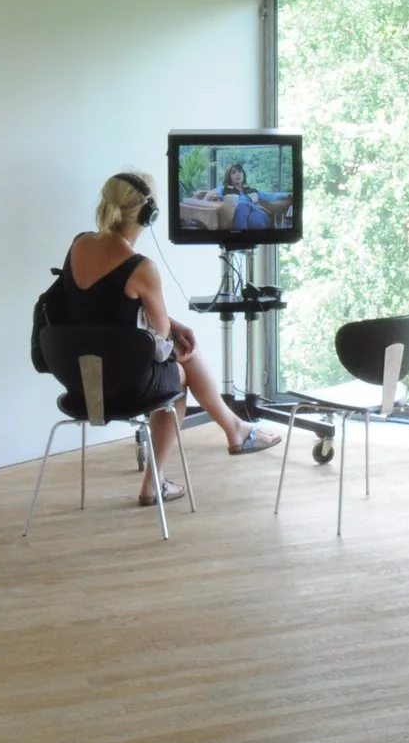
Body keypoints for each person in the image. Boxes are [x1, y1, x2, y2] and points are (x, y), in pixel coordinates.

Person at [49, 171, 278, 504]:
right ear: (149, 214)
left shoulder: (79, 245)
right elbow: (160, 338)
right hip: (124, 387)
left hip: (80, 381)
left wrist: (175, 326)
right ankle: (156, 482)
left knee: (181, 355)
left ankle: (236, 430)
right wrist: (176, 330)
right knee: (179, 373)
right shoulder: (140, 268)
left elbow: (102, 307)